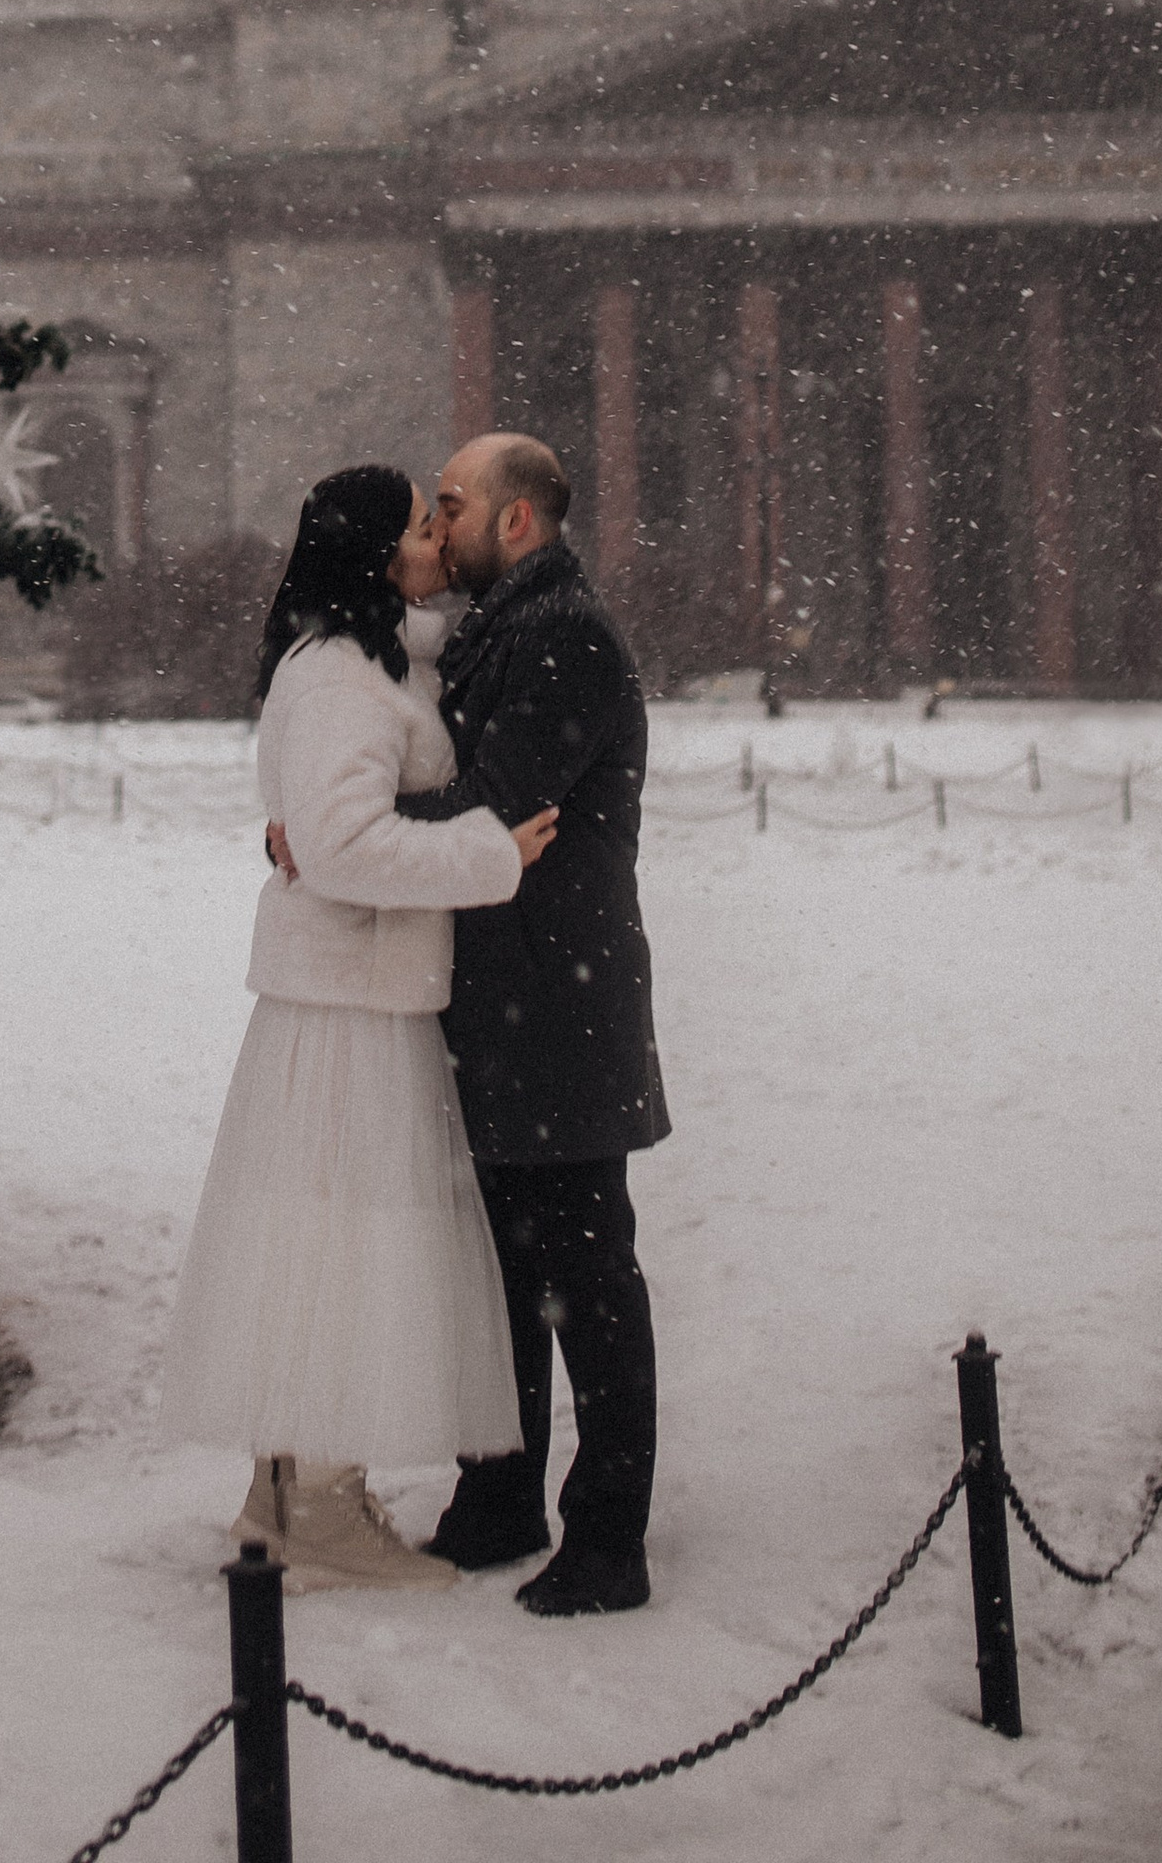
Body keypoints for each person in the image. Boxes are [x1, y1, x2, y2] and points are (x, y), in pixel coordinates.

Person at [157, 461, 559, 1591]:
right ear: (380, 554)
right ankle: (318, 1499)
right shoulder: (339, 678)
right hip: (349, 1006)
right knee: (344, 1246)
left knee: (313, 1243)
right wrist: (490, 852)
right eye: (422, 527)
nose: (440, 537)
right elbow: (340, 849)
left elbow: (339, 790)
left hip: (343, 997)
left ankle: (283, 1493)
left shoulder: (361, 659)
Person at [396, 432, 671, 1616]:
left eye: (450, 504)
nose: (437, 520)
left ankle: (607, 1539)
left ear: (514, 522)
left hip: (557, 1007)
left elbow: (491, 803)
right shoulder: (504, 626)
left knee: (585, 1282)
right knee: (499, 1277)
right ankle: (496, 1498)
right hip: (508, 1003)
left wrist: (350, 819)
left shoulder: (561, 636)